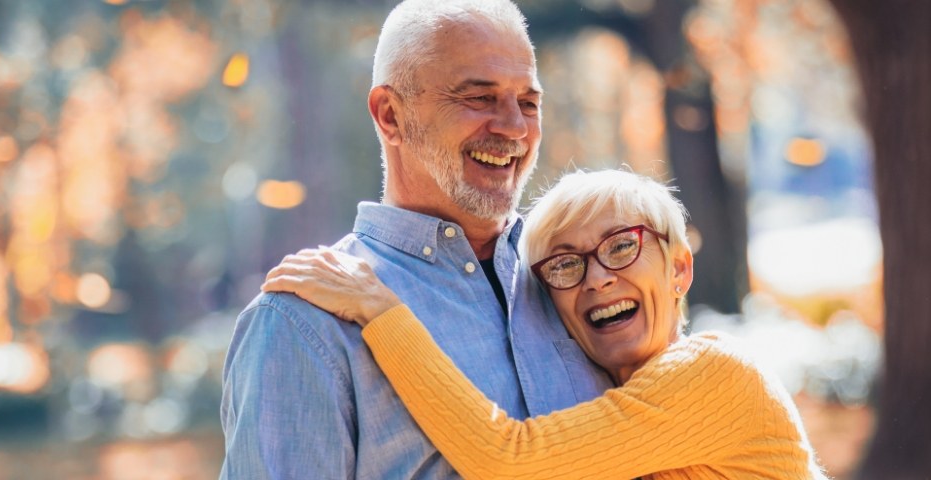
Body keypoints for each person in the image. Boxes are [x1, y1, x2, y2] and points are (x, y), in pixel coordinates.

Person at [218, 1, 613, 478]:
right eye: (479, 98)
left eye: (528, 103)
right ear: (390, 115)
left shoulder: (589, 283)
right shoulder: (304, 322)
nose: (514, 127)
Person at [263, 169, 827, 479]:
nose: (597, 279)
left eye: (622, 247)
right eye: (565, 264)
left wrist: (382, 312)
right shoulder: (613, 400)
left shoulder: (714, 373)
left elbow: (506, 458)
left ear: (679, 268)